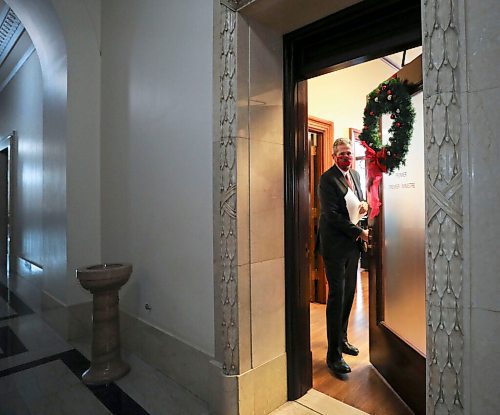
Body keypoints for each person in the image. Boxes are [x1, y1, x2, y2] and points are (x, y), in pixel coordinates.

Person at [318, 137, 369, 375]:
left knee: (349, 294)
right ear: (333, 157)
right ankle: (333, 356)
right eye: (341, 154)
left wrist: (364, 207)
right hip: (335, 247)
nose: (346, 157)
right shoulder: (327, 179)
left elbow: (356, 202)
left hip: (352, 244)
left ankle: (343, 339)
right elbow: (332, 215)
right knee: (337, 297)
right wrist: (360, 232)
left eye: (349, 153)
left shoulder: (356, 176)